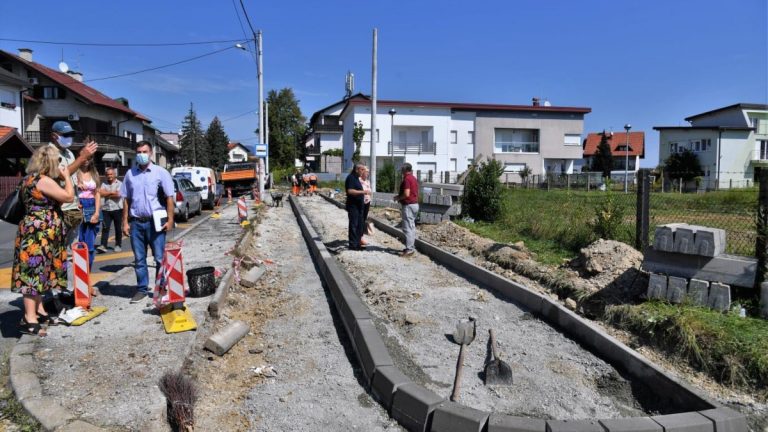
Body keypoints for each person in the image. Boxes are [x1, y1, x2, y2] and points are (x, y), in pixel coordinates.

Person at [12, 146, 74, 336]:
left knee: (42, 272)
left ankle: (39, 311)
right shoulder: (43, 180)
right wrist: (67, 177)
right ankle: (29, 319)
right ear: (50, 162)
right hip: (39, 234)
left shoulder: (28, 179)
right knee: (33, 274)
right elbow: (68, 197)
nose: (59, 164)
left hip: (37, 231)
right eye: (57, 161)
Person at [121, 141, 175, 304]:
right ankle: (142, 289)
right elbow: (126, 199)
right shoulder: (130, 174)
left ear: (151, 153)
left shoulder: (160, 172)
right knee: (139, 259)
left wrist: (170, 219)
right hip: (136, 222)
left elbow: (169, 197)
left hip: (155, 222)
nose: (141, 154)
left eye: (144, 151)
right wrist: (125, 222)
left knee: (159, 258)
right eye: (139, 152)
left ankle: (161, 288)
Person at [48, 121, 98, 252]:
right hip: (59, 210)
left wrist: (78, 197)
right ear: (54, 136)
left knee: (72, 251)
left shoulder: (69, 153)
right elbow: (61, 175)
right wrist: (82, 158)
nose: (69, 138)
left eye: (71, 134)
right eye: (65, 135)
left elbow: (72, 177)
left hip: (74, 207)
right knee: (57, 250)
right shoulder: (48, 153)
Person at [76, 158, 101, 268]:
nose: (86, 160)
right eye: (84, 156)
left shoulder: (94, 173)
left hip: (92, 206)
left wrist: (97, 212)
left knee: (90, 242)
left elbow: (97, 194)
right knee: (79, 241)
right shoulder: (75, 173)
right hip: (79, 206)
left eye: (89, 157)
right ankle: (80, 271)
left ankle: (87, 271)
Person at [393, 162, 419, 257]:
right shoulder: (413, 178)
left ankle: (409, 249)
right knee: (412, 227)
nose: (401, 171)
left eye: (402, 169)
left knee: (407, 228)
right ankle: (411, 247)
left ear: (404, 170)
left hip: (408, 205)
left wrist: (398, 198)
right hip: (415, 204)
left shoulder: (407, 179)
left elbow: (407, 194)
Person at [97, 167, 123, 253]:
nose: (109, 176)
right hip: (106, 209)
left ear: (115, 175)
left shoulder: (120, 184)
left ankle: (118, 245)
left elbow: (118, 195)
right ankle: (103, 245)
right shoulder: (103, 184)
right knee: (105, 228)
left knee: (118, 228)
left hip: (117, 209)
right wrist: (112, 192)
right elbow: (101, 193)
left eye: (111, 174)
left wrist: (106, 194)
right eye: (108, 174)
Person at [345, 163, 370, 250]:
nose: (363, 171)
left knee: (359, 225)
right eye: (362, 169)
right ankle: (353, 245)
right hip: (353, 206)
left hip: (359, 206)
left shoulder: (356, 178)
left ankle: (358, 243)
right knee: (354, 225)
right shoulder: (351, 178)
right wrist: (363, 192)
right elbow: (350, 191)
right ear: (357, 170)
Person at [359, 166, 372, 246]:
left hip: (367, 202)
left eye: (368, 172)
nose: (368, 173)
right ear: (362, 172)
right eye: (366, 172)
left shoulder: (367, 181)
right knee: (360, 220)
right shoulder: (359, 181)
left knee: (363, 219)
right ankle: (360, 237)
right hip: (361, 202)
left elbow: (369, 191)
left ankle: (361, 236)